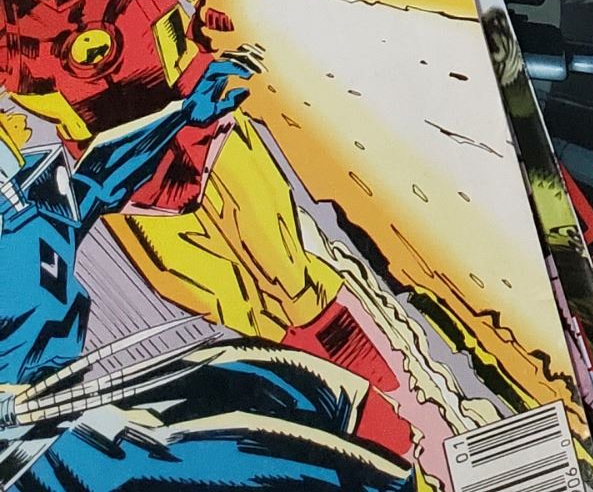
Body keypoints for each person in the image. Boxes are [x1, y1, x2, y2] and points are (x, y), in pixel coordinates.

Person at [0, 53, 416, 490]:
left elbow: (99, 180)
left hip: (69, 400)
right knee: (310, 472)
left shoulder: (26, 211)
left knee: (300, 386)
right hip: (40, 460)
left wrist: (183, 113)